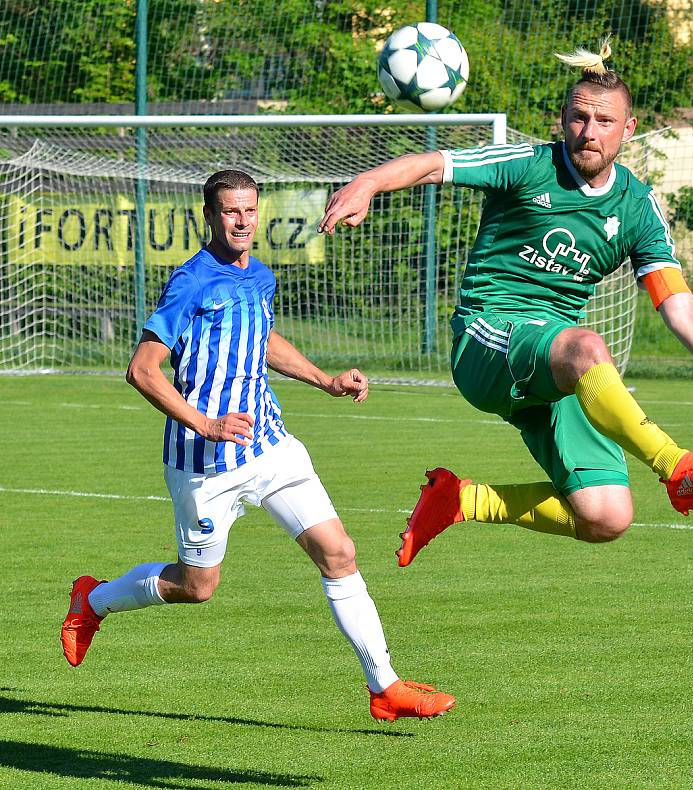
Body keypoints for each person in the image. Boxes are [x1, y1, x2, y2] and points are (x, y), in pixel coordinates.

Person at [318, 38, 693, 567]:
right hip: (487, 338)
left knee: (606, 515)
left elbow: (676, 301)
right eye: (580, 118)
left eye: (605, 121)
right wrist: (369, 184)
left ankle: (460, 500)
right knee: (586, 344)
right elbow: (434, 162)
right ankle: (677, 466)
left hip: (557, 367)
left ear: (628, 130)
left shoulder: (637, 206)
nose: (590, 132)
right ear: (562, 119)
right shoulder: (528, 164)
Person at [60, 169, 455, 722]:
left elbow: (261, 339)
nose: (243, 222)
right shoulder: (191, 282)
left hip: (269, 445)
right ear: (209, 216)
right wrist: (205, 424)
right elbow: (143, 371)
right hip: (206, 463)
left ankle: (384, 686)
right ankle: (93, 600)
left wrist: (326, 380)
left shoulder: (262, 277)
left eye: (250, 211)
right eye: (230, 212)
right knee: (197, 588)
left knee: (339, 552)